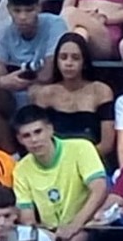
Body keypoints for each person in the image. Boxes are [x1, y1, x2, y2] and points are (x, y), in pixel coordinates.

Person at [12, 104, 109, 241]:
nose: (34, 139)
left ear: (50, 129)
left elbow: (99, 188)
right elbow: (27, 217)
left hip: (90, 221)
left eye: (38, 131)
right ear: (20, 140)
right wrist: (45, 234)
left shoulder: (81, 147)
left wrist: (75, 224)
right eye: (27, 135)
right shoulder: (21, 169)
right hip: (51, 229)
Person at [0, 0, 65, 150]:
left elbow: (48, 74)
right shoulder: (4, 33)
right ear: (8, 10)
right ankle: (11, 156)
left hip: (49, 94)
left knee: (38, 91)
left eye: (29, 10)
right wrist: (2, 82)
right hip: (15, 96)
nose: (22, 17)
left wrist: (10, 79)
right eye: (17, 10)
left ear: (39, 7)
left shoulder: (55, 25)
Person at [29, 32, 115, 160]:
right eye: (63, 57)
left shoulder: (101, 91)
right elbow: (39, 139)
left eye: (75, 58)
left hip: (92, 160)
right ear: (56, 61)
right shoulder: (45, 95)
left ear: (84, 62)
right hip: (55, 162)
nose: (69, 63)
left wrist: (78, 161)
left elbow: (107, 144)